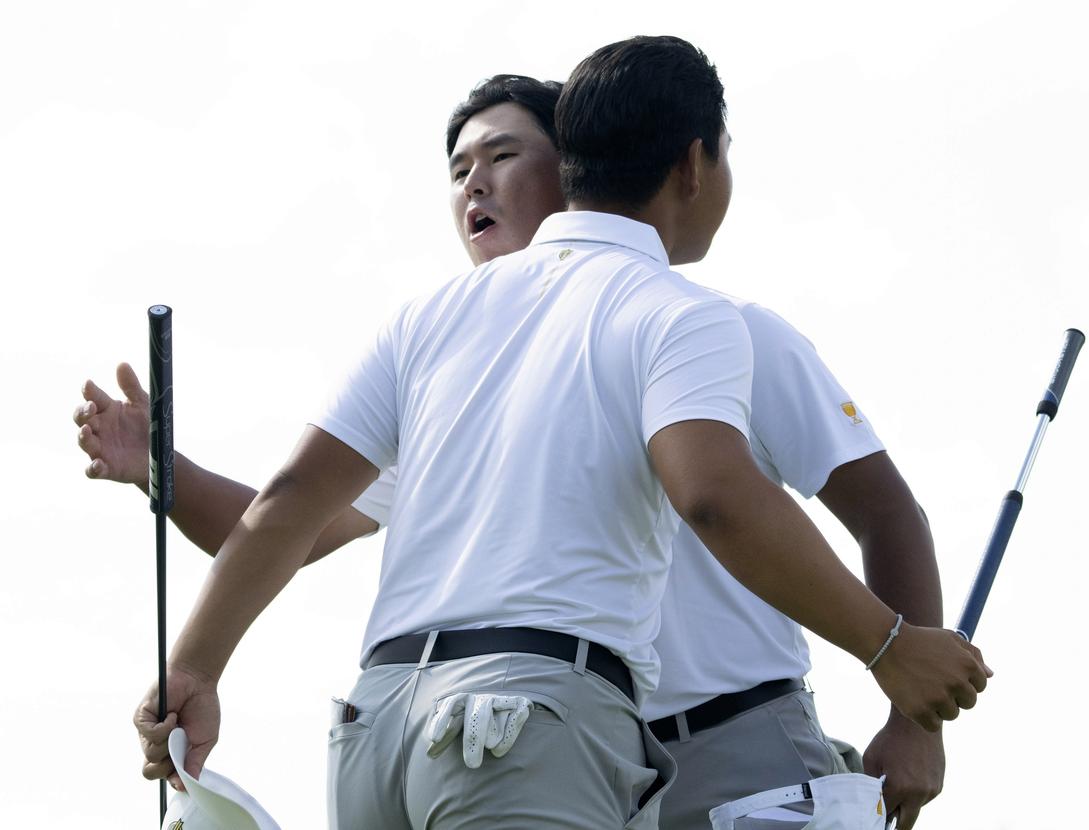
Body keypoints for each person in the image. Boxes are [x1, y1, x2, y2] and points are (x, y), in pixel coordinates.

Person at [77, 56, 979, 830]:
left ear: (574, 171)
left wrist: (914, 712)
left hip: (706, 744)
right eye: (459, 167)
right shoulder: (478, 350)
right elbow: (289, 526)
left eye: (504, 156)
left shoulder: (726, 330)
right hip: (549, 734)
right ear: (693, 166)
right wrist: (169, 473)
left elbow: (883, 511)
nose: (474, 183)